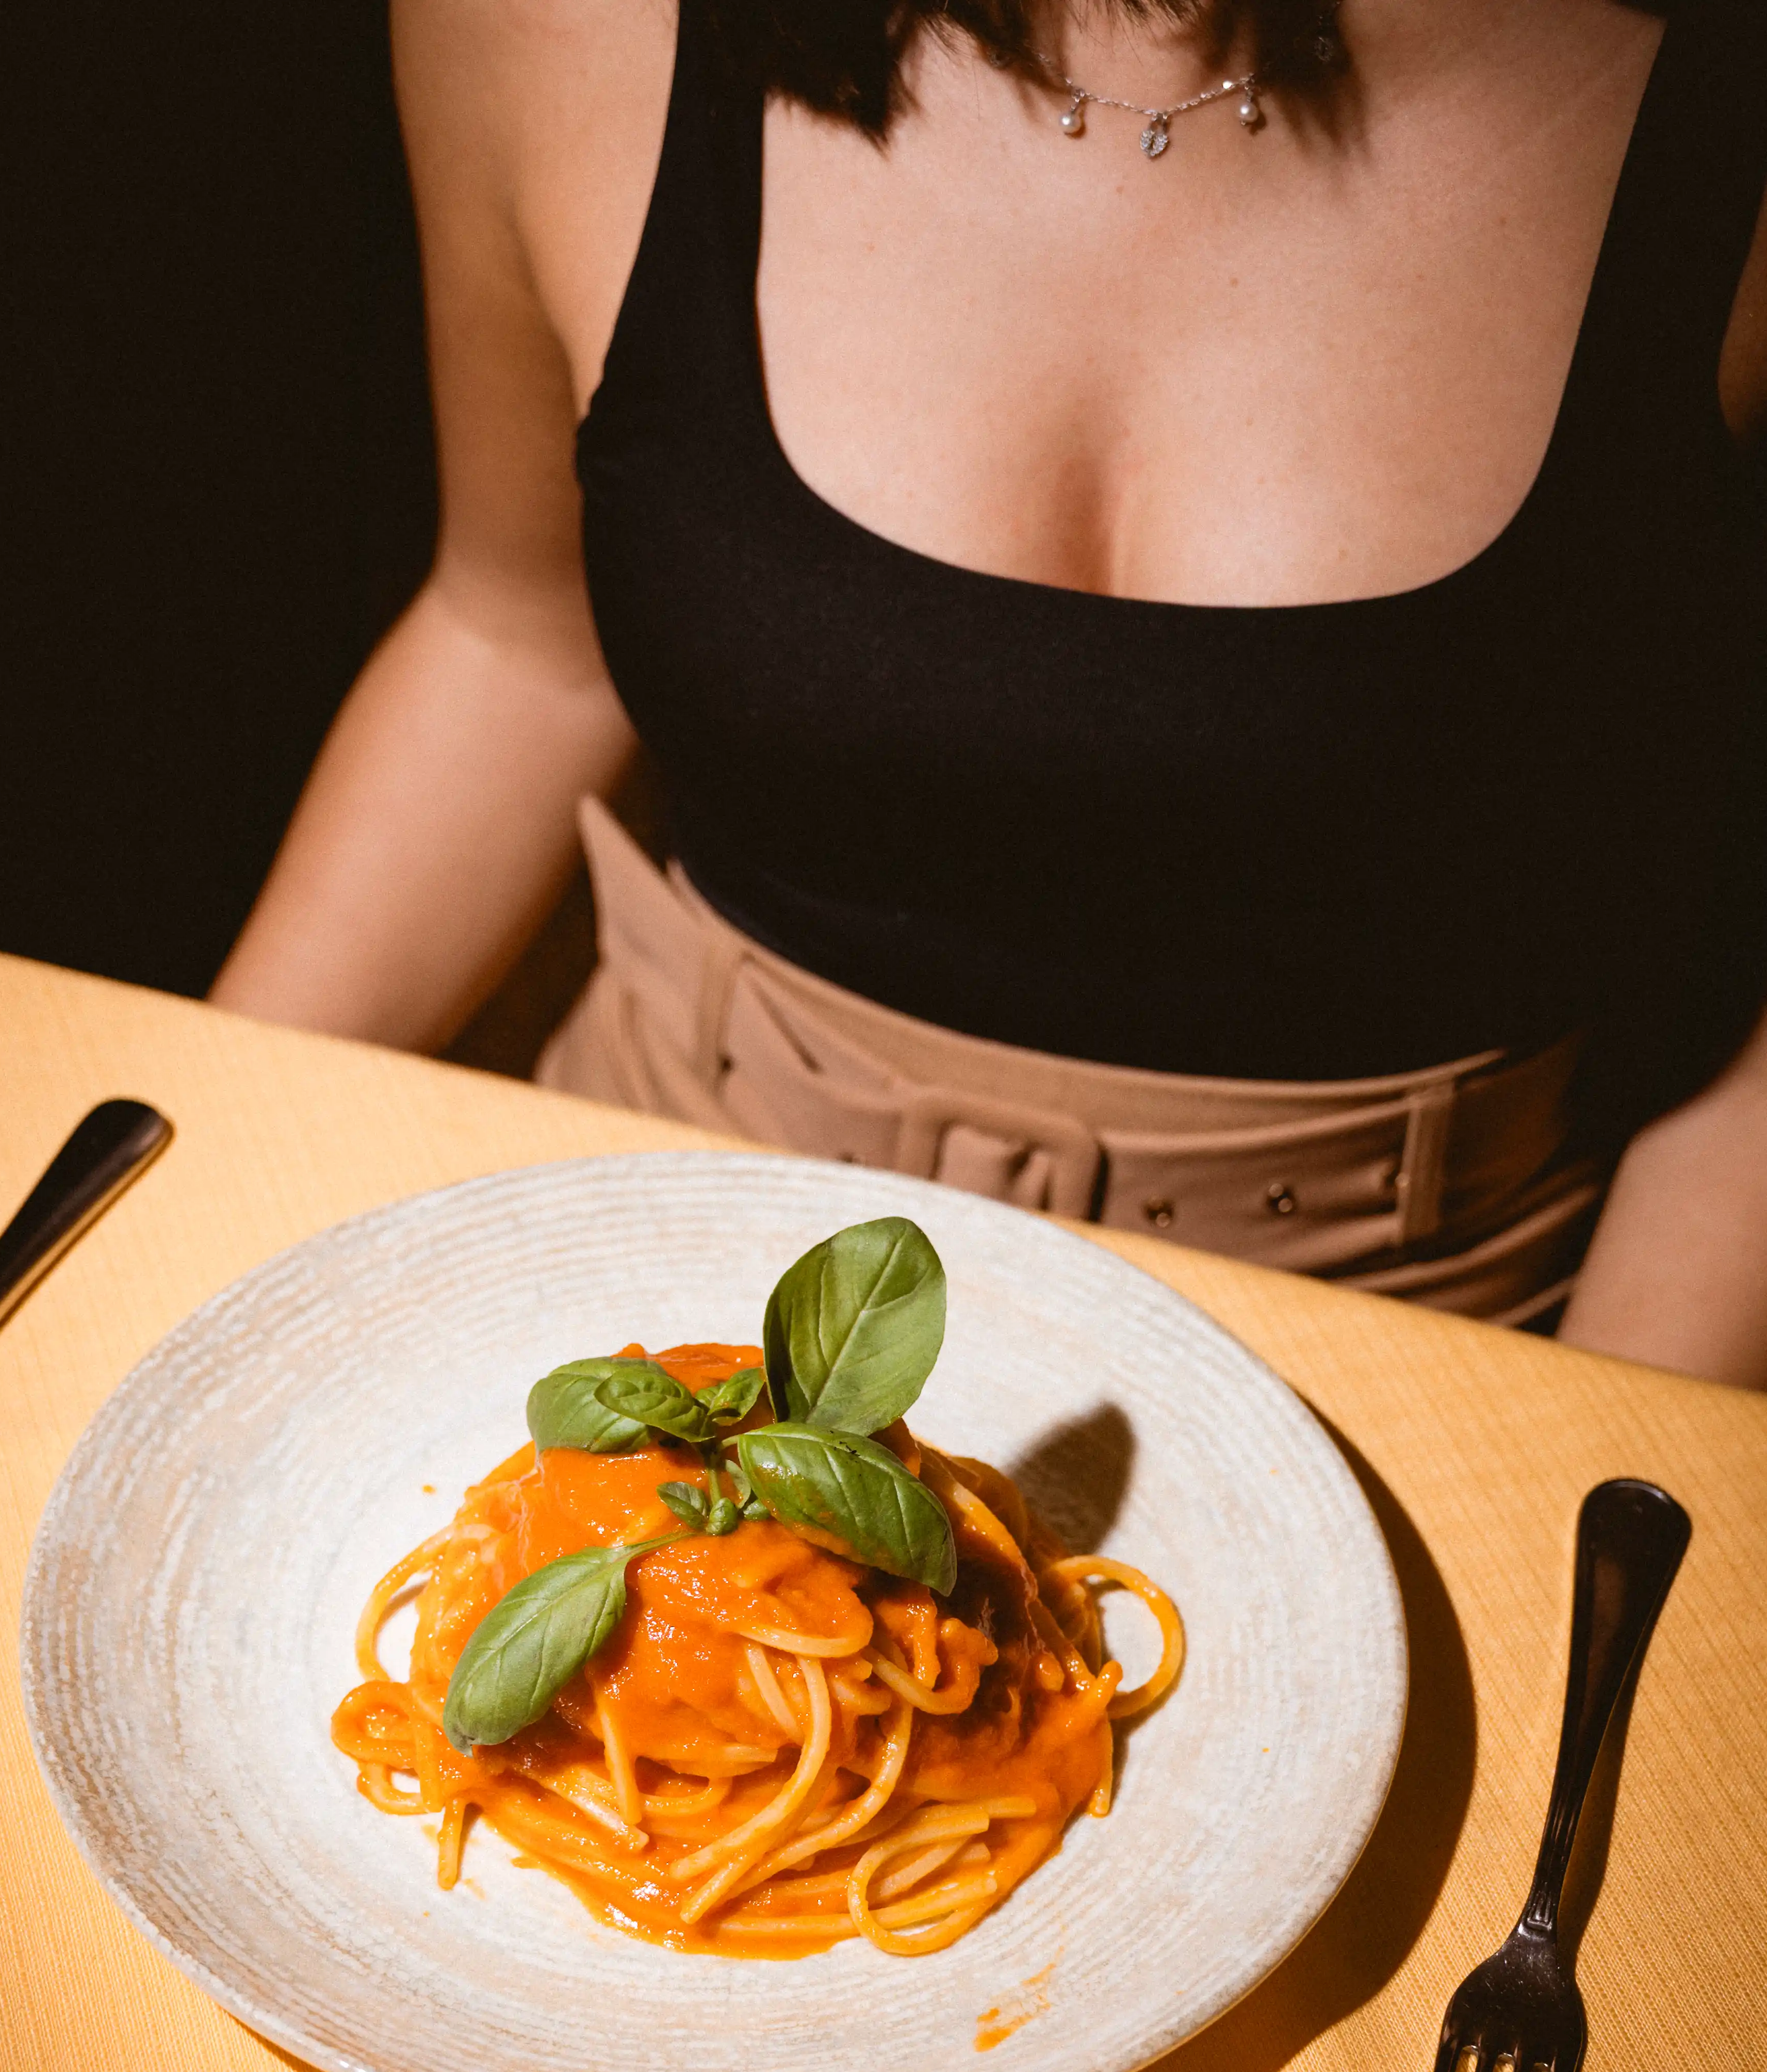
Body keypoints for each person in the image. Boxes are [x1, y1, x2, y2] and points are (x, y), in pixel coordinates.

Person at [210, 0, 1767, 1387]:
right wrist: (174, 1154)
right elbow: (512, 635)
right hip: (649, 1245)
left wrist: (1625, 1448)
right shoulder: (566, 22)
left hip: (1419, 1344)